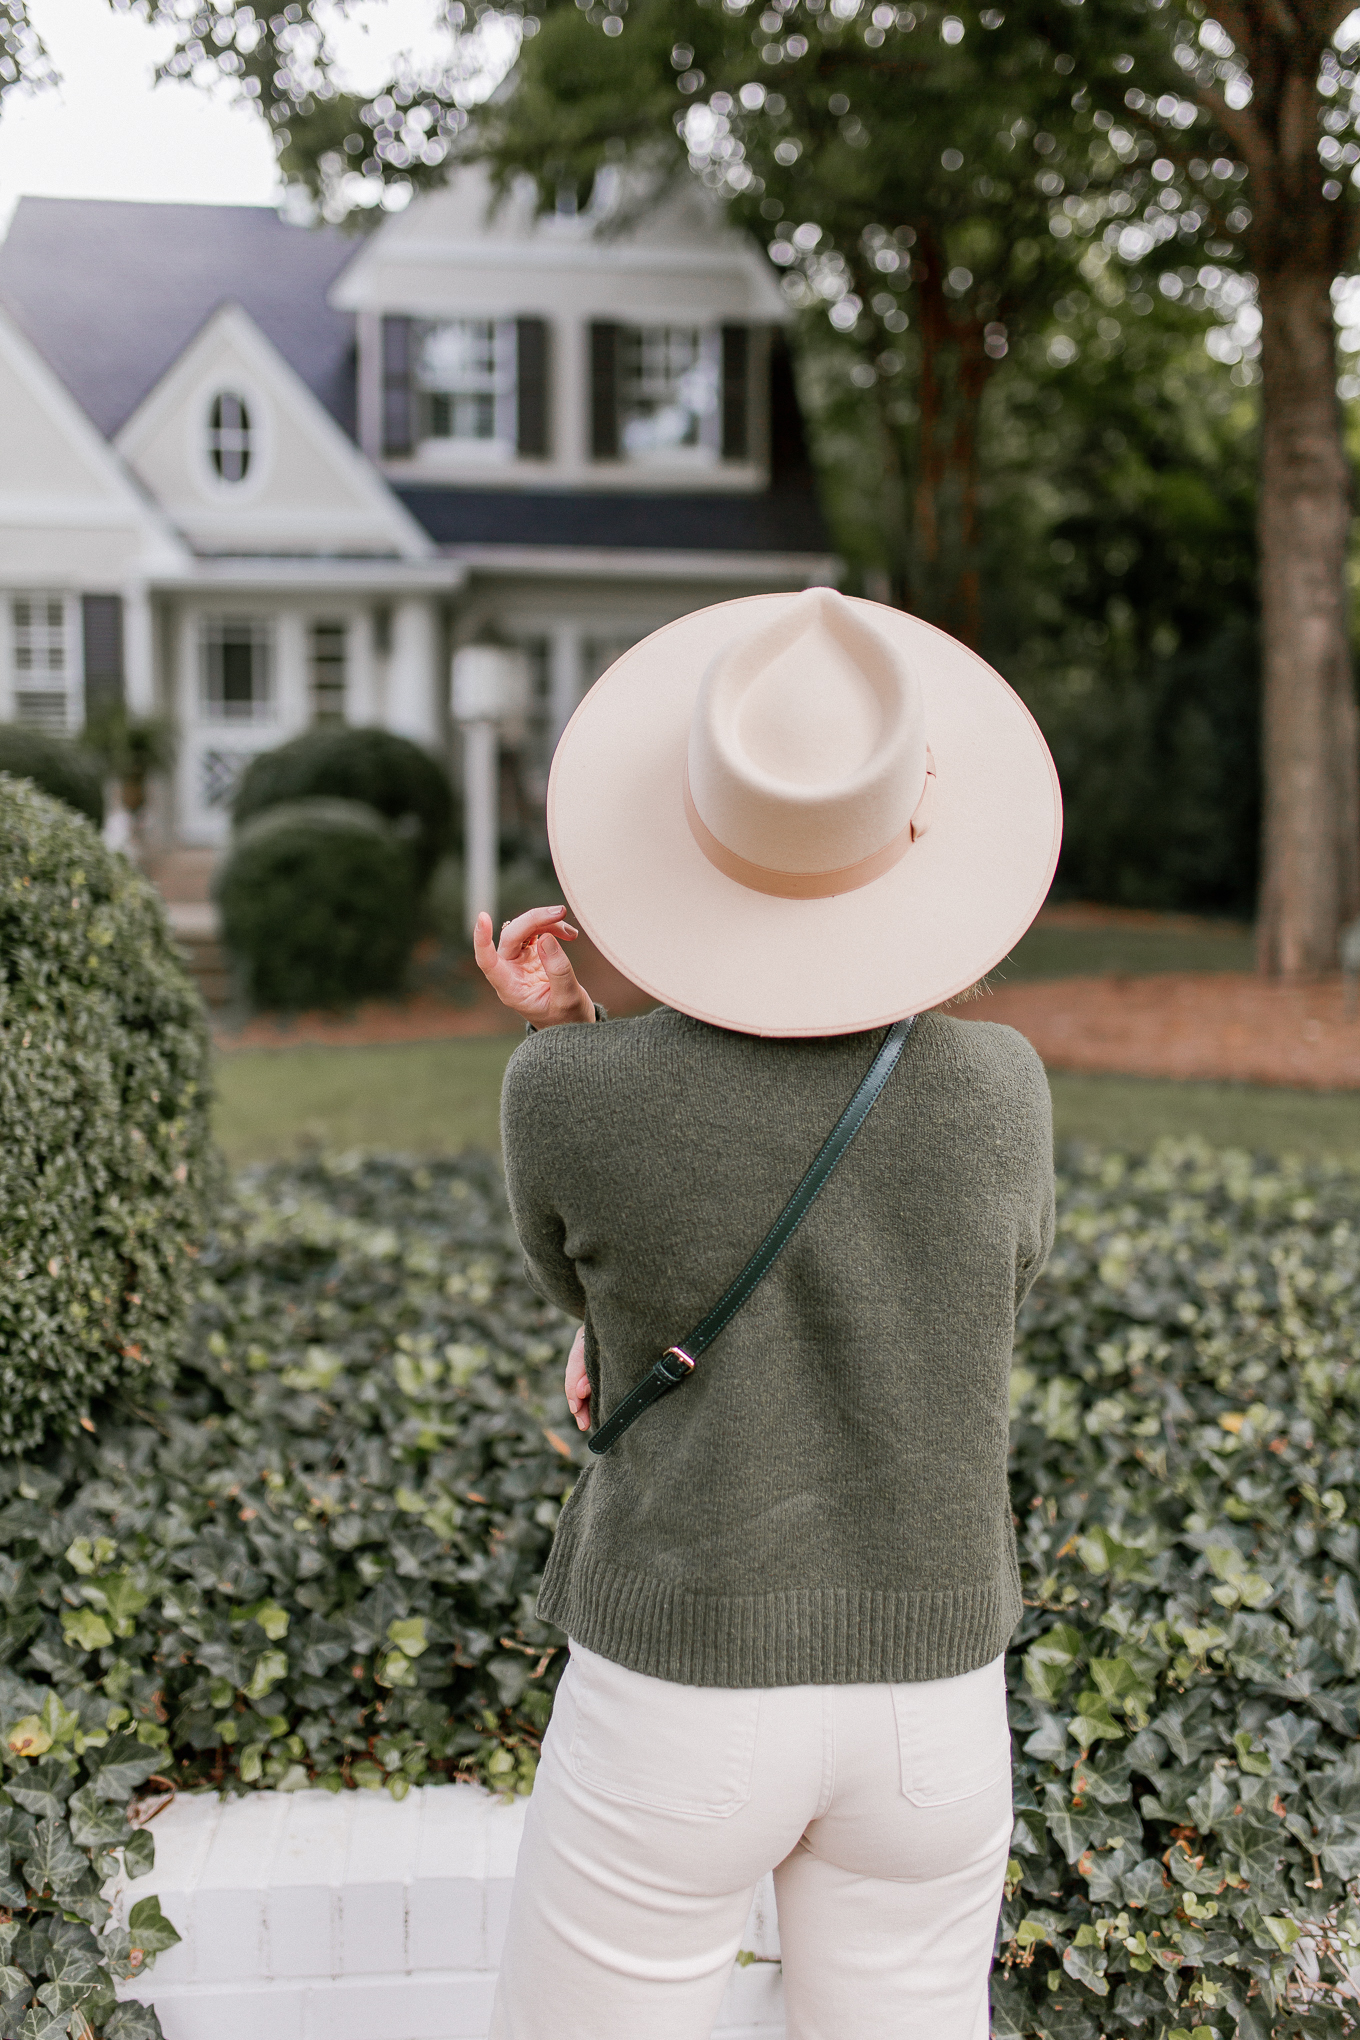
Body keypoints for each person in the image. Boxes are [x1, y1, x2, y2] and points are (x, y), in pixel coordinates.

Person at [474, 587, 1061, 2040]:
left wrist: (570, 1038)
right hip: (932, 1701)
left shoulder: (565, 1094)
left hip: (682, 1683)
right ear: (913, 829)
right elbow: (991, 1290)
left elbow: (599, 1301)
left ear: (687, 827)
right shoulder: (1004, 1093)